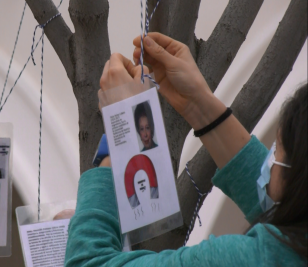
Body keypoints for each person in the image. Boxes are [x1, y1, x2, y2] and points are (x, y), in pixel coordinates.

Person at [64, 33, 307, 266]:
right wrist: (197, 104)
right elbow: (276, 199)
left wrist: (122, 132)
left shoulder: (256, 259)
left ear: (296, 176)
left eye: (277, 150)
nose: (269, 160)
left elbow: (88, 262)